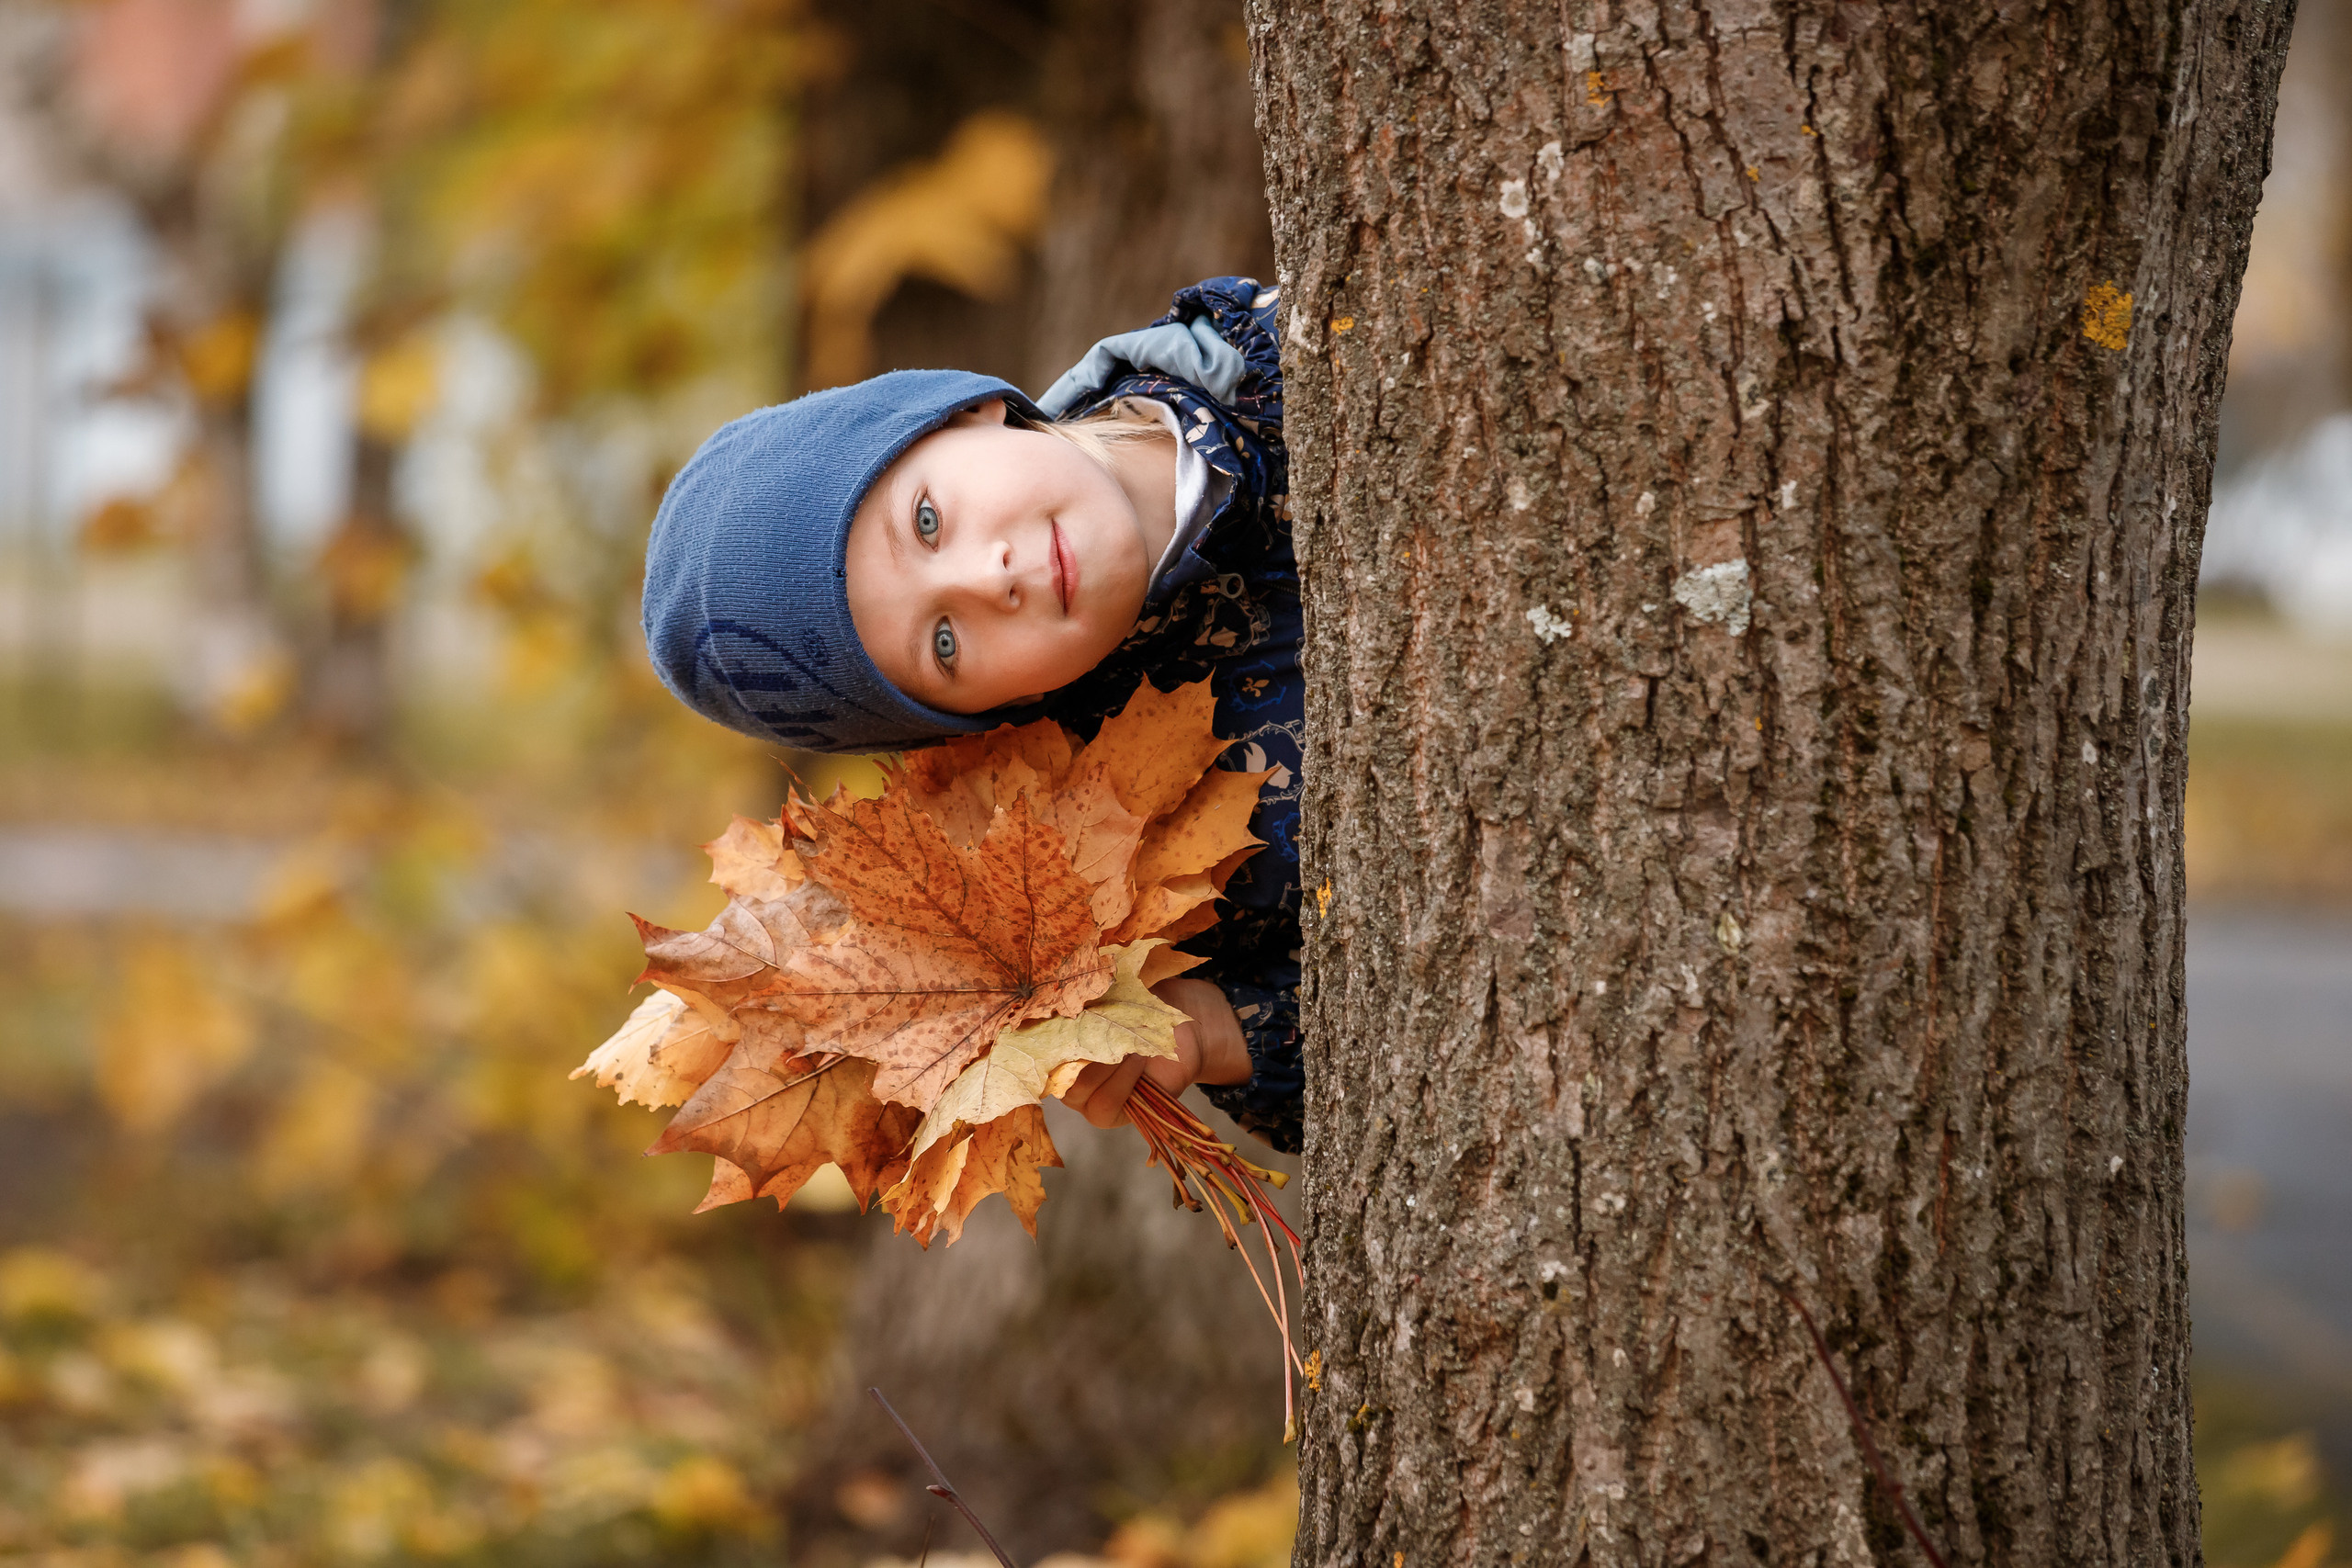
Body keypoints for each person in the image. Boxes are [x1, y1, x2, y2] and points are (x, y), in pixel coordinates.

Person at [639, 276, 1302, 1153]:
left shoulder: (1262, 357)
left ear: (969, 413)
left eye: (926, 520)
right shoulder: (1133, 840)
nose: (990, 578)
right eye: (945, 643)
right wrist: (1233, 1029)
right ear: (995, 710)